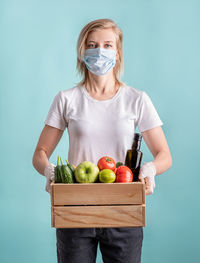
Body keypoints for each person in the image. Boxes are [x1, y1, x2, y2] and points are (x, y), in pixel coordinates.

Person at [32, 18, 172, 263]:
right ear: (82, 51)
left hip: (123, 209)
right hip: (75, 210)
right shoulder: (66, 99)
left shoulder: (136, 99)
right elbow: (40, 152)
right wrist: (49, 170)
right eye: (92, 44)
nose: (100, 51)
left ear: (117, 53)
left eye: (108, 45)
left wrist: (150, 168)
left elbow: (164, 154)